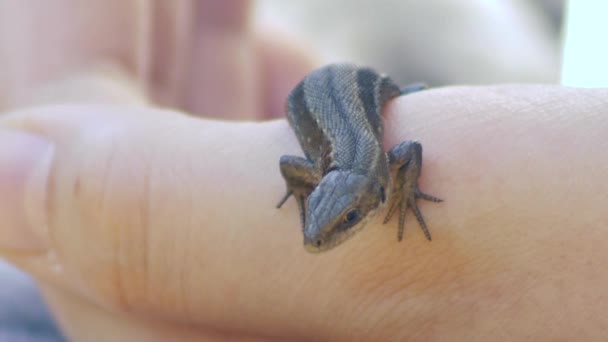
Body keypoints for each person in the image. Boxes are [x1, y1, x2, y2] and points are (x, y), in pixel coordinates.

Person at [0, 1, 607, 341]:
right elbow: (296, 166)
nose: (318, 236)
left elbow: (412, 153)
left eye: (336, 223)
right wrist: (301, 199)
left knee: (407, 94)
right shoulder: (325, 173)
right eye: (324, 215)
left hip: (363, 86)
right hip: (314, 94)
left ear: (364, 203)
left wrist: (408, 197)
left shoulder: (381, 172)